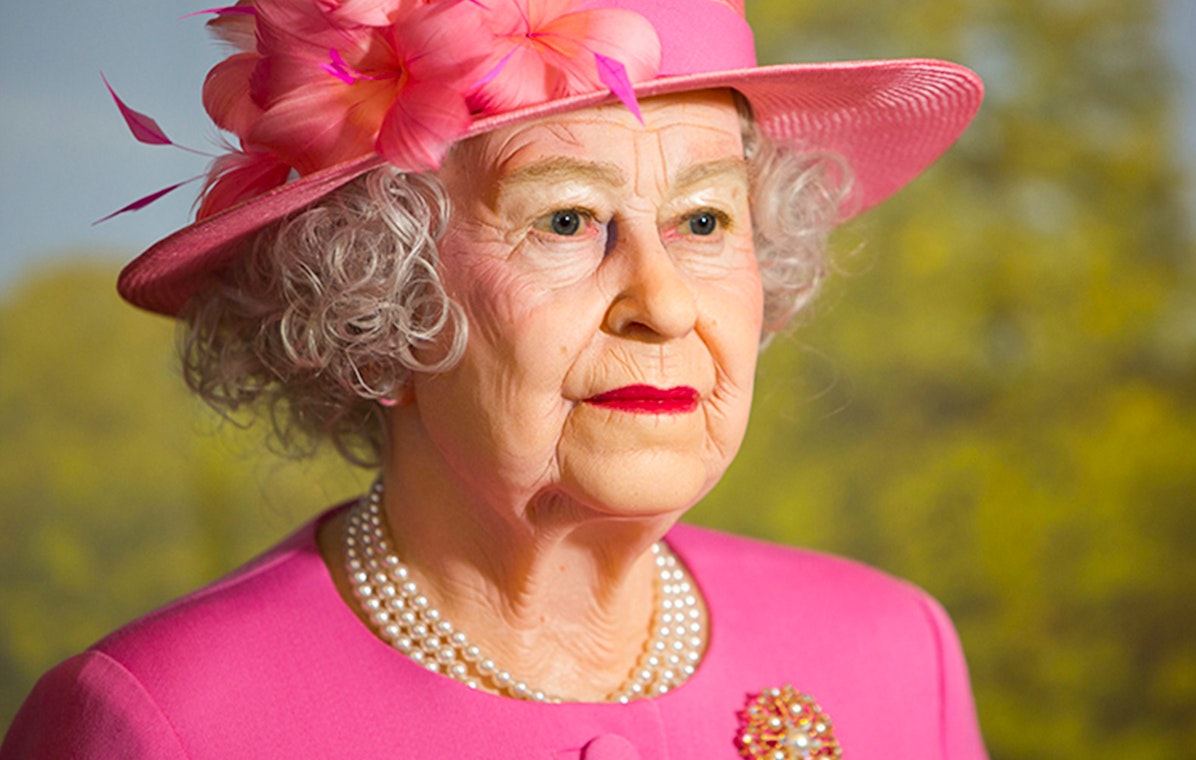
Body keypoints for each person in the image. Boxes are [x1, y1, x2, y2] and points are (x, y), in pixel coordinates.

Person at [2, 0, 987, 757]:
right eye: (564, 220)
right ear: (374, 303)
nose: (665, 303)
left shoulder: (896, 653)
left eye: (702, 221)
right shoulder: (164, 720)